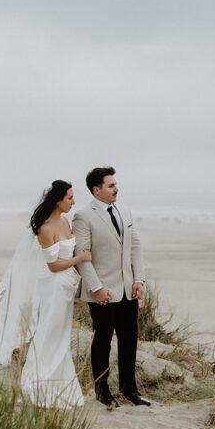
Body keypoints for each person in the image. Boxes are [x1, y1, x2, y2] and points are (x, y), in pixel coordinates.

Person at [0, 180, 91, 409]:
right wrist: (80, 259)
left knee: (61, 335)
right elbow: (53, 265)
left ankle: (61, 384)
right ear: (57, 201)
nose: (74, 202)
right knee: (48, 334)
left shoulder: (64, 221)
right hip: (53, 287)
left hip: (66, 287)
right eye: (70, 198)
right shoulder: (45, 228)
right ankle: (38, 383)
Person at [72, 166, 149, 407]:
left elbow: (135, 246)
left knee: (129, 340)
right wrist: (96, 288)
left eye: (115, 184)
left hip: (128, 288)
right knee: (102, 340)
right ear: (97, 190)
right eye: (111, 185)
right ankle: (102, 390)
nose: (117, 189)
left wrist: (139, 279)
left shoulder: (124, 211)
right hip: (102, 292)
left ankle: (129, 390)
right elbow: (82, 255)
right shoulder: (83, 216)